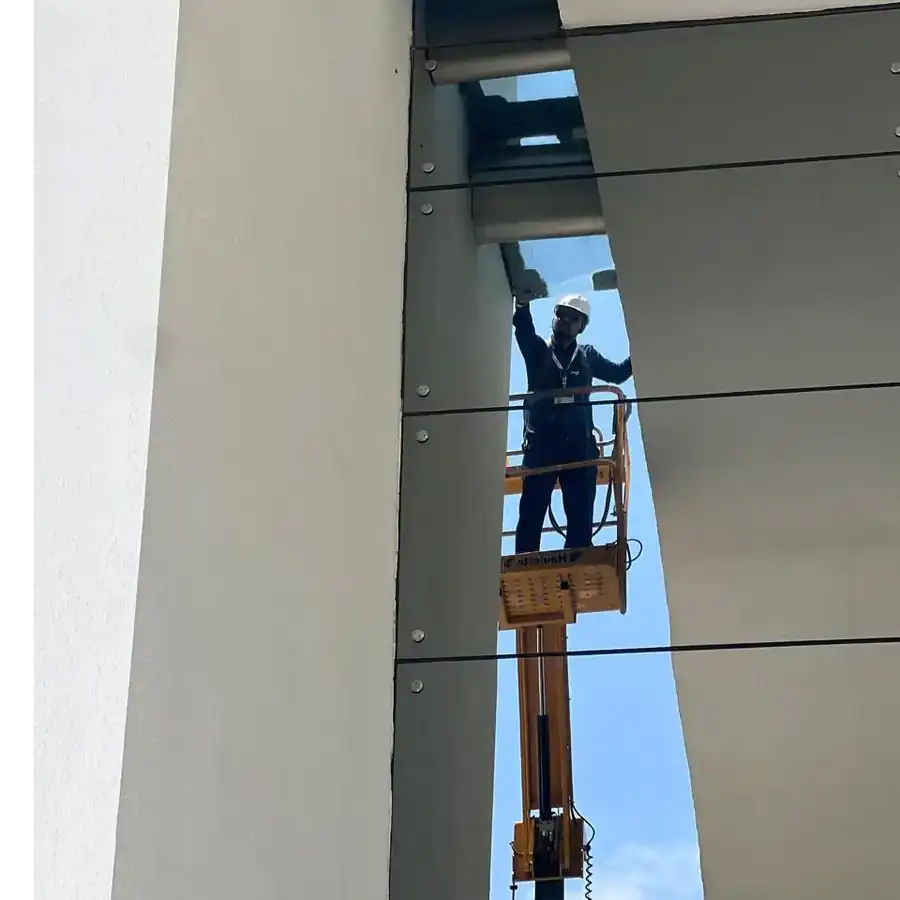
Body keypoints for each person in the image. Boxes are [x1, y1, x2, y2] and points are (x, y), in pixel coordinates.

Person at [512, 292, 632, 553]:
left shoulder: (586, 356)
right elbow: (523, 332)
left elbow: (618, 373)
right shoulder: (539, 352)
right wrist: (522, 305)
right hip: (541, 446)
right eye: (561, 315)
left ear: (582, 326)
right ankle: (525, 560)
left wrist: (646, 347)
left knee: (580, 513)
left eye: (572, 318)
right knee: (532, 510)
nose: (564, 321)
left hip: (578, 447)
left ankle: (577, 559)